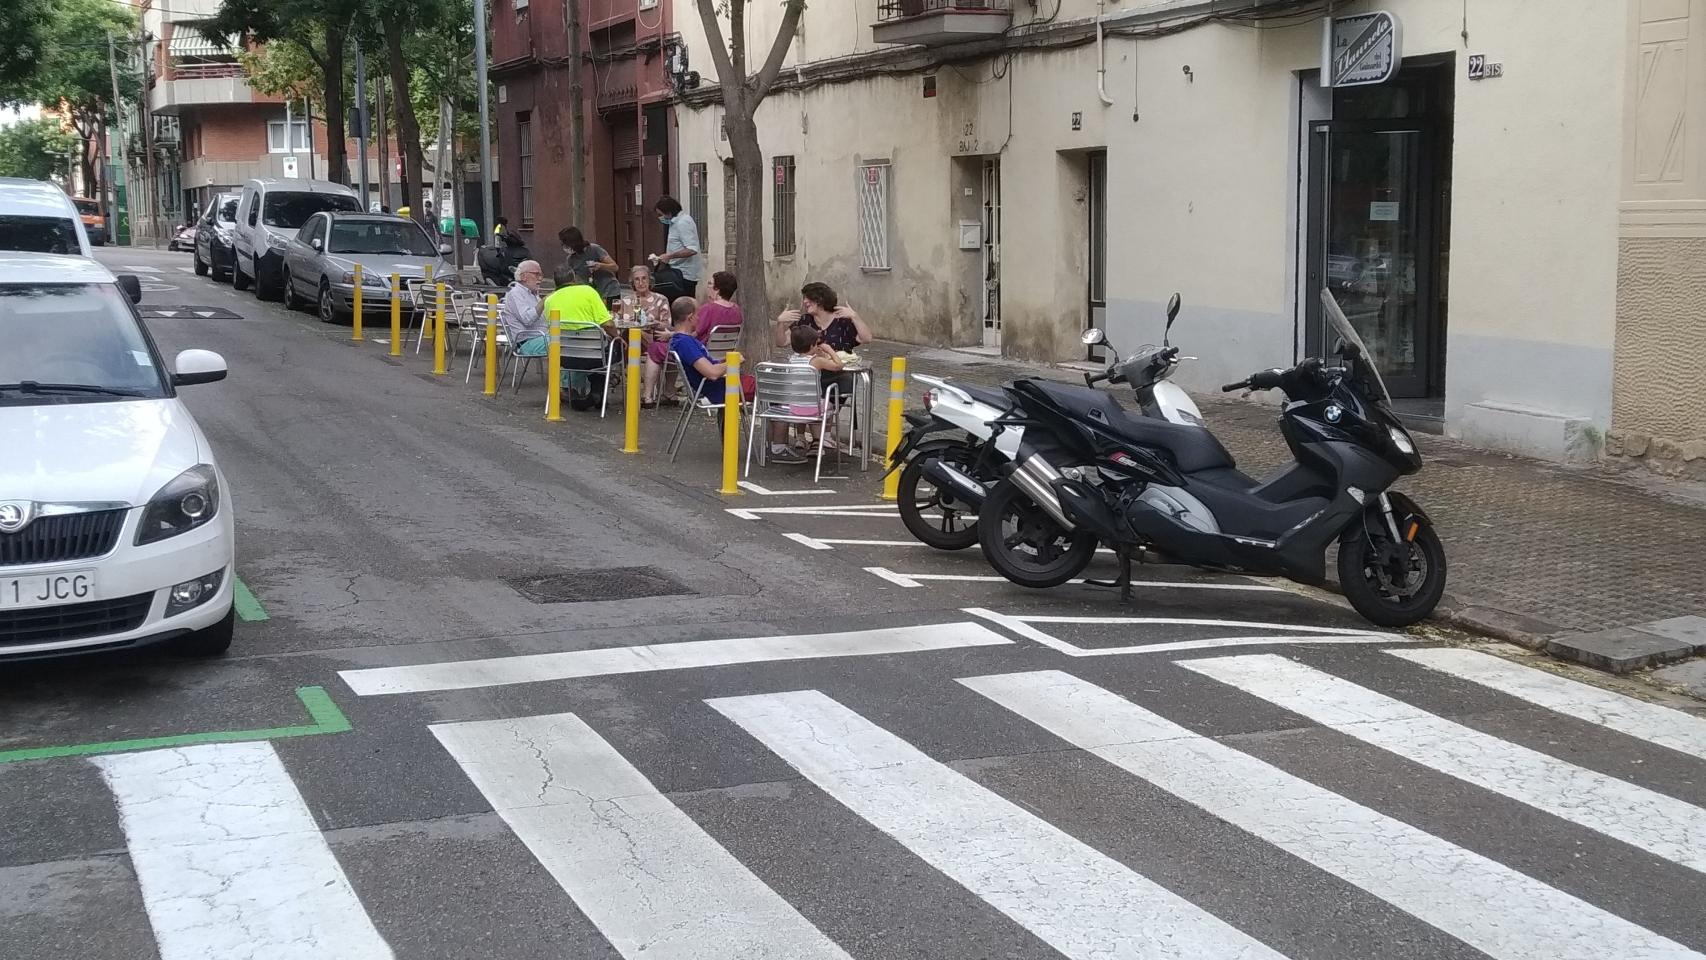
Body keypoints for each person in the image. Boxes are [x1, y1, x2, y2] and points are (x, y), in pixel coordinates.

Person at [642, 269, 742, 407]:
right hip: (722, 353)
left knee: (655, 348)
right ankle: (669, 391)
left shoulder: (708, 309)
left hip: (698, 352)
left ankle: (648, 396)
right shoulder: (736, 310)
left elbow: (691, 333)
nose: (707, 287)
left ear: (717, 290)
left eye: (710, 284)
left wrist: (670, 334)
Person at [764, 323, 844, 465]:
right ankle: (819, 441)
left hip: (793, 408)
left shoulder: (790, 360)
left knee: (813, 403)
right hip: (813, 410)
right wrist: (830, 350)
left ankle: (782, 446)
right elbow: (838, 365)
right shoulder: (816, 361)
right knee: (826, 404)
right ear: (813, 345)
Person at [540, 264, 616, 410]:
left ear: (555, 282)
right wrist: (618, 337)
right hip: (594, 355)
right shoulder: (588, 292)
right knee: (614, 348)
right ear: (573, 278)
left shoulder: (549, 300)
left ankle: (596, 394)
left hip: (565, 357)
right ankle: (599, 391)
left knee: (596, 352)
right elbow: (608, 324)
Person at [775, 281, 872, 353]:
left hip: (839, 369)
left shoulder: (842, 320)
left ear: (821, 300)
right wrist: (780, 323)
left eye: (809, 298)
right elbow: (782, 342)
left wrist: (855, 316)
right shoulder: (804, 320)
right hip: (812, 370)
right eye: (804, 298)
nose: (805, 301)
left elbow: (867, 339)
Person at [668, 296, 729, 407]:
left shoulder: (682, 340)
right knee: (762, 387)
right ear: (690, 317)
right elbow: (712, 373)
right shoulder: (685, 343)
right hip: (719, 390)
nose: (699, 318)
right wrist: (734, 362)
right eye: (697, 314)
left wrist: (723, 363)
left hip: (720, 385)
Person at [649, 196, 701, 299]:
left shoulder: (683, 222)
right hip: (675, 270)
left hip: (684, 275)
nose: (660, 218)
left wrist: (670, 256)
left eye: (660, 215)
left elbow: (692, 249)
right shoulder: (674, 223)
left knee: (682, 304)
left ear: (669, 212)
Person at [497, 259, 549, 357]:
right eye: (536, 274)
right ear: (523, 276)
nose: (540, 278)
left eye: (541, 275)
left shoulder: (533, 294)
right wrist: (544, 301)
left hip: (542, 337)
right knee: (565, 342)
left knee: (571, 340)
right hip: (527, 342)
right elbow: (527, 319)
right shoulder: (515, 294)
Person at [559, 226, 621, 304]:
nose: (565, 247)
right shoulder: (570, 259)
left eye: (566, 245)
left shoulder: (594, 249)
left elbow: (615, 267)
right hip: (590, 295)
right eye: (563, 245)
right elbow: (573, 279)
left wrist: (601, 266)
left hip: (609, 291)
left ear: (574, 243)